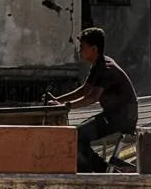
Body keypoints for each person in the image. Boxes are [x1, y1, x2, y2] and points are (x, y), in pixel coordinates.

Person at [48, 26, 139, 172]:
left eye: (82, 47)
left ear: (94, 49)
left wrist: (66, 106)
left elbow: (92, 97)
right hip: (113, 116)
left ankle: (91, 173)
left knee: (78, 134)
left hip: (121, 119)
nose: (80, 51)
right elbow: (84, 89)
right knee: (79, 134)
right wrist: (59, 100)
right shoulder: (98, 65)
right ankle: (103, 168)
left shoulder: (105, 68)